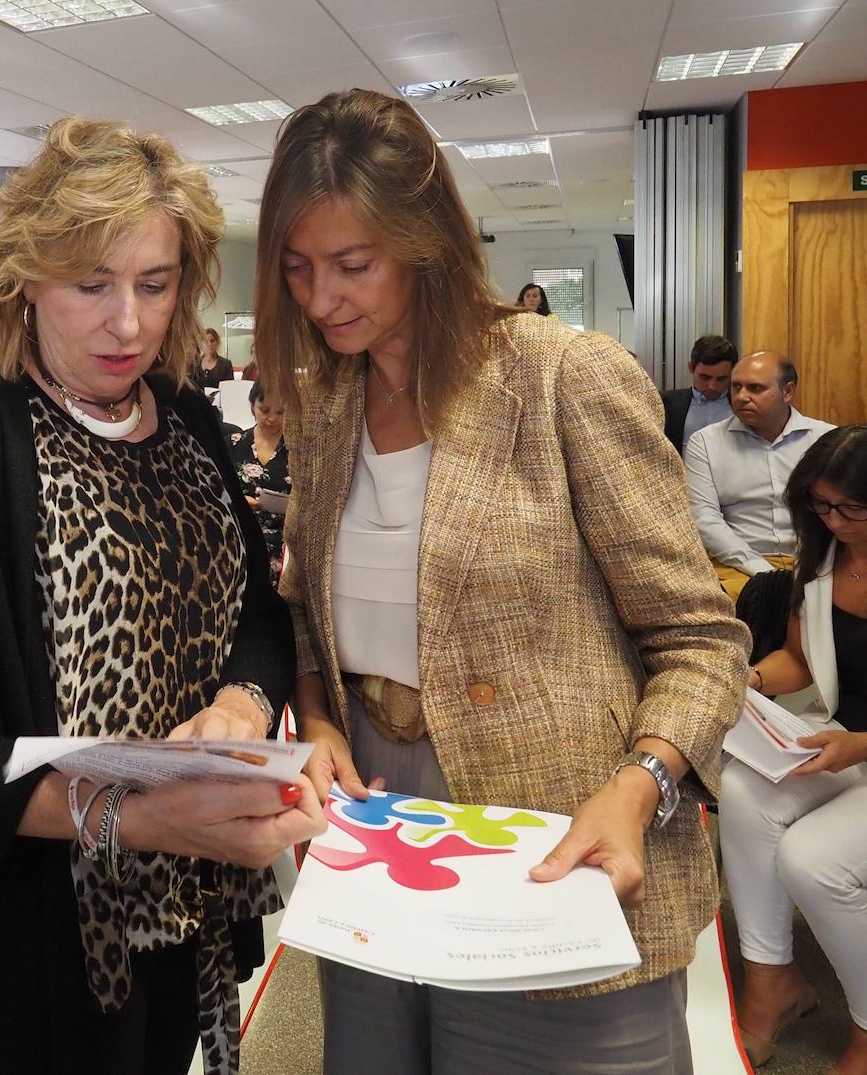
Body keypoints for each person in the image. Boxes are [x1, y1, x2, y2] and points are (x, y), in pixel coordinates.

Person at [256, 89, 749, 1073]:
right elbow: (310, 617)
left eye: (353, 266)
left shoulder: (561, 376)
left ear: (425, 242)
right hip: (380, 834)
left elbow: (701, 637)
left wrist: (640, 783)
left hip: (563, 835)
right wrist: (313, 719)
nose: (321, 299)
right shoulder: (320, 407)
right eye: (300, 270)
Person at [0, 116, 324, 1075]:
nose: (129, 323)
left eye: (154, 286)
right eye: (91, 286)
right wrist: (138, 816)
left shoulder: (190, 423)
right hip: (31, 945)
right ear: (26, 279)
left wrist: (239, 701)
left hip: (180, 917)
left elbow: (257, 614)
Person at [721, 423, 867, 1075]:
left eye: (850, 508)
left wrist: (860, 742)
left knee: (813, 858)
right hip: (847, 751)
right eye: (821, 505)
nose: (833, 521)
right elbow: (799, 662)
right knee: (743, 787)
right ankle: (772, 977)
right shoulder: (824, 558)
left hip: (855, 749)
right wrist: (748, 679)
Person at [685, 351, 835, 600]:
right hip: (737, 566)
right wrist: (760, 569)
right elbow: (705, 519)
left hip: (815, 562)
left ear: (787, 391)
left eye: (755, 388)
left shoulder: (824, 440)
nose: (742, 397)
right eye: (736, 387)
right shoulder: (706, 442)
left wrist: (810, 564)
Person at [227, 381, 289, 587]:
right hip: (238, 532)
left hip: (283, 537)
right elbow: (216, 490)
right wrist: (237, 500)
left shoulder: (298, 450)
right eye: (264, 410)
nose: (272, 418)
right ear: (252, 406)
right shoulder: (233, 443)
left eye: (280, 412)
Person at [661, 334, 737, 455]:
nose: (712, 386)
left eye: (721, 379)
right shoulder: (667, 403)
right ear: (691, 368)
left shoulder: (742, 405)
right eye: (705, 377)